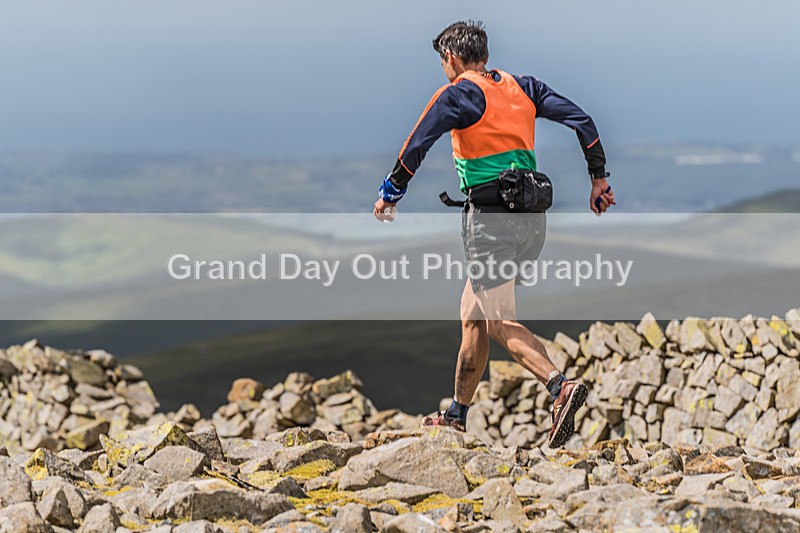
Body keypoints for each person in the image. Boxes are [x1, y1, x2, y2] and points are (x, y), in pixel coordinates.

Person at [372, 21, 615, 448]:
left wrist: (390, 193)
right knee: (473, 313)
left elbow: (417, 143)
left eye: (442, 62)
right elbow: (584, 120)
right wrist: (598, 179)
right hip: (532, 219)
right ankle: (456, 415)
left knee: (499, 320)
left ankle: (559, 388)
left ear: (451, 57)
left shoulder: (459, 93)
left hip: (491, 219)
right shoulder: (523, 86)